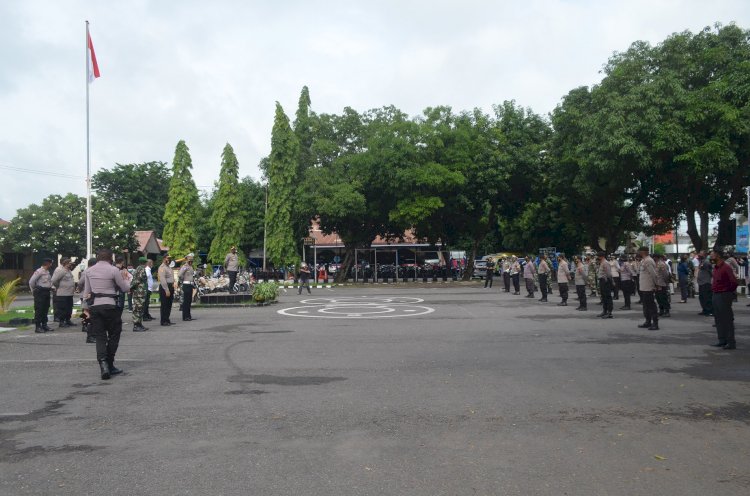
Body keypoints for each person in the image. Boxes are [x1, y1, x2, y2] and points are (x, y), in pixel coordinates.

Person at [81, 248, 131, 380]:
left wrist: (85, 308)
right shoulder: (114, 270)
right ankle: (110, 363)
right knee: (114, 334)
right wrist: (125, 279)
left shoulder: (89, 271)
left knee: (100, 336)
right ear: (110, 259)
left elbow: (86, 292)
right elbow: (125, 288)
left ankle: (103, 364)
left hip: (95, 307)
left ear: (98, 258)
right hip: (110, 305)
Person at [710, 249, 738, 349]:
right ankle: (722, 340)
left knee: (727, 319)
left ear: (718, 256)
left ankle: (731, 342)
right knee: (718, 319)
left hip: (724, 295)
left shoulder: (726, 267)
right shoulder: (716, 268)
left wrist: (727, 292)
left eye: (712, 255)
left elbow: (734, 282)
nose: (711, 257)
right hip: (716, 294)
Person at [637, 247, 660, 330]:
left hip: (648, 287)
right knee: (646, 306)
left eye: (639, 251)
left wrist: (656, 284)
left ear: (643, 252)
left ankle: (655, 323)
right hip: (643, 286)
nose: (638, 252)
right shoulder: (644, 260)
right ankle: (647, 321)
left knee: (651, 306)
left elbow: (653, 274)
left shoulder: (649, 261)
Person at [29, 258, 54, 333]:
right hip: (40, 292)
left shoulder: (47, 271)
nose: (51, 265)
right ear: (48, 264)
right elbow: (31, 282)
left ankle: (44, 325)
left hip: (46, 292)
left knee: (45, 309)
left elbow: (48, 282)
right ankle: (38, 327)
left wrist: (52, 287)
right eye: (51, 263)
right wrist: (34, 290)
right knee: (39, 310)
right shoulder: (39, 271)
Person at [51, 258, 76, 327]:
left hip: (69, 293)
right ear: (66, 264)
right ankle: (62, 322)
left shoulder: (68, 271)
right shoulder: (60, 271)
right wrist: (58, 286)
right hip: (62, 293)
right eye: (70, 264)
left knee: (69, 308)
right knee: (62, 309)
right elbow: (53, 280)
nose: (71, 265)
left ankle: (68, 320)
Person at [78, 257, 97, 343]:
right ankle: (84, 325)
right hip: (85, 294)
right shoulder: (86, 272)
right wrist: (80, 289)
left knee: (87, 311)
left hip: (88, 294)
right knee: (86, 312)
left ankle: (86, 324)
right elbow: (80, 283)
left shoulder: (91, 271)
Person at [130, 257, 149, 332]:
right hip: (139, 292)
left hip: (139, 292)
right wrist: (131, 287)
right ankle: (136, 325)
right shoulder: (141, 269)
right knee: (138, 309)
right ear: (144, 262)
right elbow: (138, 279)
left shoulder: (138, 268)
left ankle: (139, 324)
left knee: (140, 309)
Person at [158, 255, 175, 326]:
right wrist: (166, 289)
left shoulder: (169, 267)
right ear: (164, 259)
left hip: (170, 286)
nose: (169, 260)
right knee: (164, 305)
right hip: (165, 287)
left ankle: (167, 319)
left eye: (170, 258)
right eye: (168, 258)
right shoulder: (162, 268)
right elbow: (162, 279)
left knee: (169, 304)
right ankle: (164, 321)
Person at [178, 254, 196, 321]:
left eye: (192, 260)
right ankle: (185, 317)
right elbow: (179, 275)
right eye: (189, 260)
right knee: (186, 302)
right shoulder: (185, 266)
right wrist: (183, 280)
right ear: (187, 260)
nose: (191, 262)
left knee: (189, 301)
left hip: (190, 285)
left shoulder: (191, 267)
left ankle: (188, 316)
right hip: (186, 285)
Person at [596, 252, 614, 318]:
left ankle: (609, 312)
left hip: (605, 281)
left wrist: (610, 281)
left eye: (598, 256)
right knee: (603, 297)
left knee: (607, 297)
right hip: (602, 281)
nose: (597, 257)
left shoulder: (605, 263)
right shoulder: (602, 262)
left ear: (601, 256)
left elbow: (608, 274)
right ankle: (604, 311)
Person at [696, 251, 713, 316]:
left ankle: (709, 311)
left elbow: (710, 271)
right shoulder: (702, 262)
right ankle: (705, 310)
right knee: (702, 297)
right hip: (701, 282)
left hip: (706, 282)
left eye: (700, 254)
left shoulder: (706, 262)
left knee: (707, 298)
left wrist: (711, 278)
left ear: (704, 255)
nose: (699, 255)